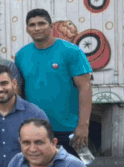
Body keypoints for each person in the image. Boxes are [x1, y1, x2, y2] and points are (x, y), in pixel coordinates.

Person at [15, 9, 93, 157]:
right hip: (36, 129)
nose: (37, 28)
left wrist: (83, 126)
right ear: (27, 29)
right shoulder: (21, 55)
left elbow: (85, 87)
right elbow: (20, 92)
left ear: (51, 27)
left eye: (41, 23)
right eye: (32, 25)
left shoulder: (72, 52)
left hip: (68, 129)